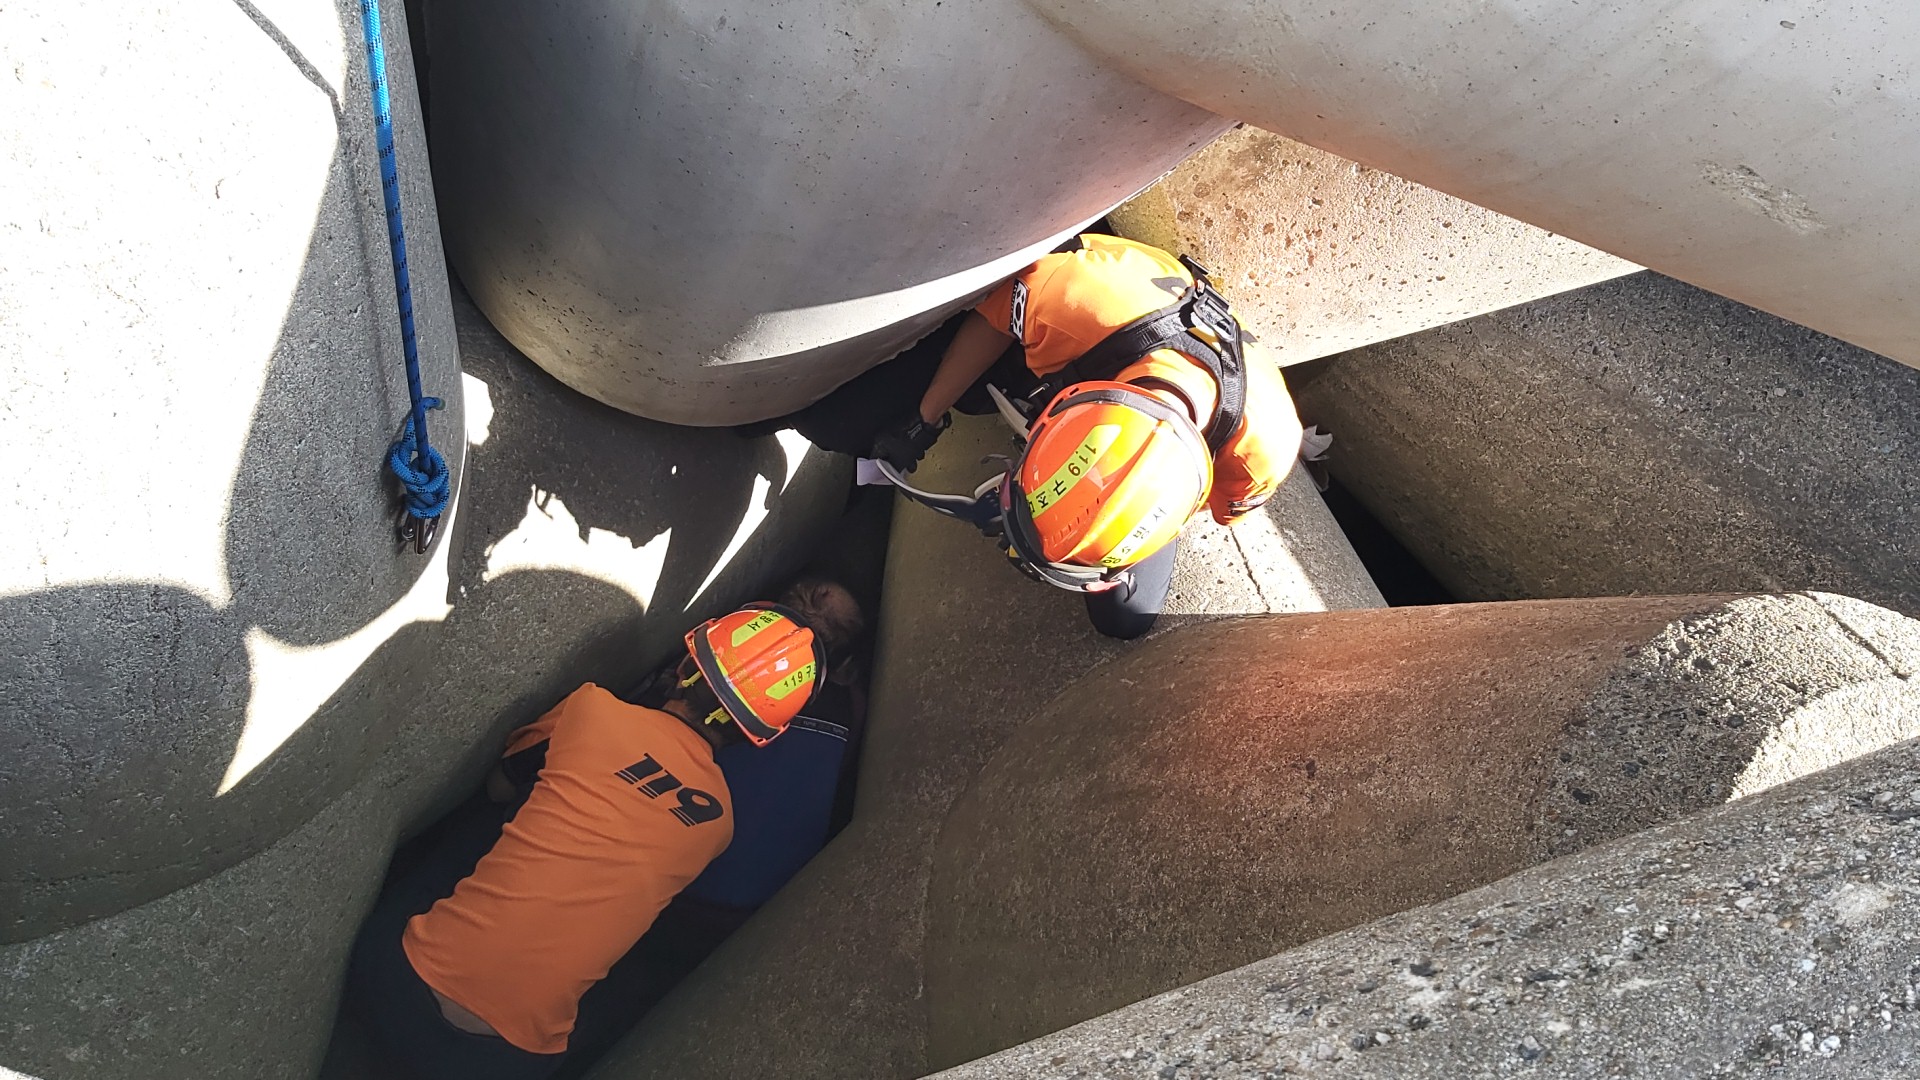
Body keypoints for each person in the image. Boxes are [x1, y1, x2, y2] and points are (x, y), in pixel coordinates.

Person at [345, 582, 861, 1080]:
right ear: (760, 736)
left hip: (393, 979)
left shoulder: (593, 708)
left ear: (686, 662)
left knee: (497, 816)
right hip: (502, 1062)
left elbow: (500, 787)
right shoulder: (717, 822)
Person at [775, 234, 1305, 640]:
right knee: (834, 426)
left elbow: (1196, 510)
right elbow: (994, 320)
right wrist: (924, 418)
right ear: (1054, 416)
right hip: (1073, 326)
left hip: (1115, 372)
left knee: (1124, 617)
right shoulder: (1076, 303)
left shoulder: (1264, 453)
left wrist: (1104, 538)